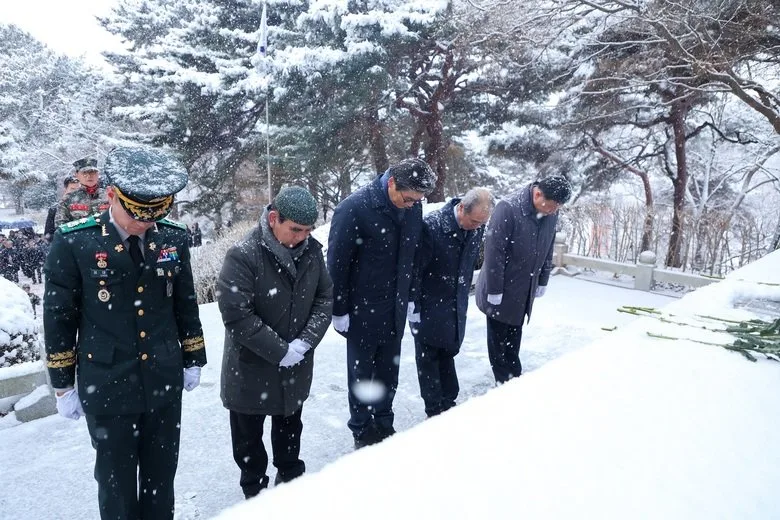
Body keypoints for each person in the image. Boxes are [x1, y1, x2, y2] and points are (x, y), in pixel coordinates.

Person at [43, 146, 207, 520]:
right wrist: (63, 383)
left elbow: (185, 301)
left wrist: (193, 355)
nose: (145, 224)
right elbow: (58, 316)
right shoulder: (74, 241)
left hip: (164, 379)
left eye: (155, 214)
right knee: (116, 485)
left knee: (161, 480)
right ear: (114, 194)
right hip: (108, 380)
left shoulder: (172, 237)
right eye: (137, 214)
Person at [217, 186, 333, 498]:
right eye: (295, 229)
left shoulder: (311, 252)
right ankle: (254, 494)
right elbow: (236, 314)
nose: (302, 237)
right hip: (250, 368)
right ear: (273, 219)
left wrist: (304, 344)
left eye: (308, 230)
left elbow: (325, 298)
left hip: (294, 369)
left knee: (290, 431)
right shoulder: (243, 255)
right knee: (248, 442)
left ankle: (291, 484)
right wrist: (280, 351)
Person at [327, 158, 437, 449]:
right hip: (362, 311)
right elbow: (337, 265)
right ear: (391, 183)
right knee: (362, 375)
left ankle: (384, 422)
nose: (413, 204)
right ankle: (362, 430)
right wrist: (338, 310)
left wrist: (411, 297)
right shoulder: (354, 209)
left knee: (389, 372)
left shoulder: (412, 208)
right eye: (409, 198)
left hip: (396, 308)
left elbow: (412, 259)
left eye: (418, 200)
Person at [475, 176, 572, 384]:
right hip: (501, 287)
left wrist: (543, 279)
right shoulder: (508, 208)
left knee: (514, 335)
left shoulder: (550, 212)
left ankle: (513, 378)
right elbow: (494, 252)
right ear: (538, 194)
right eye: (552, 206)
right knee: (499, 343)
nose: (554, 211)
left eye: (557, 207)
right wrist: (494, 290)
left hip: (524, 287)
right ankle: (506, 385)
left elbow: (548, 247)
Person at [410, 188, 494, 417]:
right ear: (461, 208)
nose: (477, 227)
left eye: (482, 222)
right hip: (429, 303)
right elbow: (415, 270)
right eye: (474, 221)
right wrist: (413, 305)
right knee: (428, 357)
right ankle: (435, 409)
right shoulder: (432, 226)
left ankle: (448, 401)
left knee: (448, 351)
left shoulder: (476, 227)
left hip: (455, 303)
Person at [55, 157, 110, 227]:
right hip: (78, 237)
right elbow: (61, 228)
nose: (89, 176)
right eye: (85, 173)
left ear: (98, 174)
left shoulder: (110, 196)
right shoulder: (68, 199)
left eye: (93, 172)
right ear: (77, 175)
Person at [45, 176, 81, 241]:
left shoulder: (88, 206)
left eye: (78, 189)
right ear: (66, 189)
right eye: (72, 189)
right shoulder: (55, 209)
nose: (76, 192)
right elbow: (48, 235)